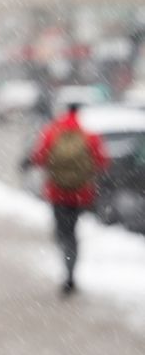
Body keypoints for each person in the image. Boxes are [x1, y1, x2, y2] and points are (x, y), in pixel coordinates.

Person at [31, 102, 108, 296]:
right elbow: (102, 161)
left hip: (57, 192)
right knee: (72, 233)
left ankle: (67, 269)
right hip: (81, 193)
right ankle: (71, 272)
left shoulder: (52, 132)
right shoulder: (89, 135)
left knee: (62, 233)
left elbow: (39, 158)